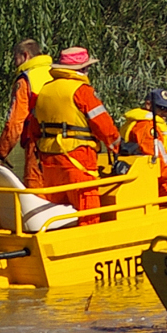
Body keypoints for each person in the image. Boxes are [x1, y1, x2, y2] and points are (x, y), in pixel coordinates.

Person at [33, 47, 120, 225]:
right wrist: (119, 147)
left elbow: (34, 129)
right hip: (78, 159)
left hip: (49, 161)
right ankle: (91, 247)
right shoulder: (81, 90)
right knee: (89, 211)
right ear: (81, 69)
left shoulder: (44, 91)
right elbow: (103, 125)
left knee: (58, 214)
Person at [0, 39, 53, 188]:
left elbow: (15, 122)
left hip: (38, 145)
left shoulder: (26, 80)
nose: (15, 63)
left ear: (25, 56)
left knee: (35, 190)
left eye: (16, 58)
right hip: (65, 144)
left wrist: (2, 151)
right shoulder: (56, 73)